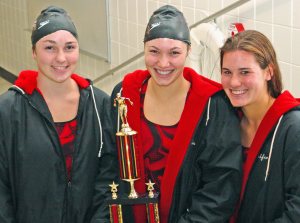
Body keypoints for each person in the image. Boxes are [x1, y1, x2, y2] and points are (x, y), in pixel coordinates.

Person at [111, 5, 243, 223]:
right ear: (143, 49)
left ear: (188, 51)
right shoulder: (124, 96)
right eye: (154, 51)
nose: (163, 63)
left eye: (174, 53)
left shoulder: (214, 106)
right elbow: (110, 165)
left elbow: (220, 188)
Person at [0, 6, 117, 223]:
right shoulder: (9, 110)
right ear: (34, 52)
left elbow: (109, 177)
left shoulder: (99, 105)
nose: (61, 58)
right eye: (50, 48)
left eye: (69, 47)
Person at [220, 30, 300, 223]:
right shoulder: (226, 122)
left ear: (269, 72)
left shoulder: (293, 128)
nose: (234, 82)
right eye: (227, 72)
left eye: (245, 72)